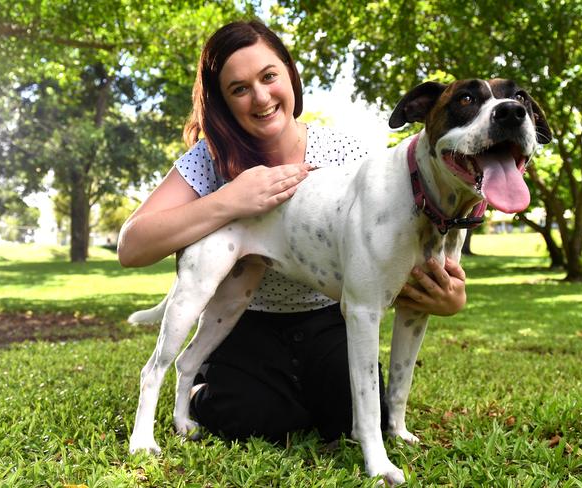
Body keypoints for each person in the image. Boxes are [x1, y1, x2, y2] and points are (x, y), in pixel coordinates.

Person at [117, 19, 466, 443]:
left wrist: (446, 296)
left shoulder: (351, 156)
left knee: (345, 414)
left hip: (328, 315)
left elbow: (402, 251)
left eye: (268, 77)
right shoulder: (208, 160)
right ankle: (200, 390)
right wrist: (231, 199)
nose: (261, 97)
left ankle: (294, 393)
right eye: (239, 88)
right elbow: (131, 245)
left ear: (289, 75)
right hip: (249, 321)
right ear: (223, 101)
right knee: (250, 418)